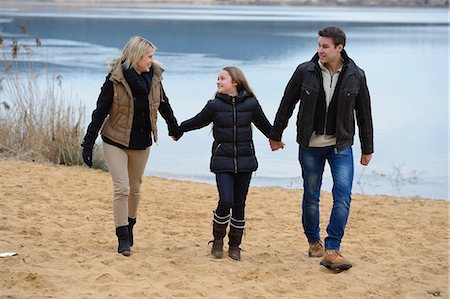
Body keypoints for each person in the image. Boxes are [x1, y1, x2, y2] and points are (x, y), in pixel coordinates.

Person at [269, 26, 373, 271]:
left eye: (325, 46)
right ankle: (314, 242)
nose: (320, 50)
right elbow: (287, 103)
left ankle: (332, 246)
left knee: (343, 195)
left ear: (340, 47)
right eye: (318, 45)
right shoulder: (304, 71)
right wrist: (276, 134)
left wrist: (367, 148)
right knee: (312, 196)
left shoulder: (356, 75)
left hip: (341, 146)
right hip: (310, 145)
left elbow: (365, 114)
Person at [81, 36, 182, 256]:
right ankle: (123, 237)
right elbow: (99, 113)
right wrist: (87, 144)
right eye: (149, 56)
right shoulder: (114, 80)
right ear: (137, 57)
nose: (152, 61)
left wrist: (173, 127)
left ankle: (130, 226)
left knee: (135, 190)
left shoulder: (154, 77)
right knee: (122, 188)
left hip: (141, 142)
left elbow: (164, 104)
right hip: (114, 140)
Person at [178, 67, 272, 261]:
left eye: (222, 79)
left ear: (235, 82)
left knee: (240, 204)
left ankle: (235, 245)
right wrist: (178, 128)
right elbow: (198, 121)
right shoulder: (214, 105)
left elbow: (265, 125)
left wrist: (277, 137)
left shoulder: (251, 104)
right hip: (222, 160)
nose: (218, 82)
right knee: (226, 200)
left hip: (245, 161)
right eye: (217, 79)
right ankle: (218, 240)